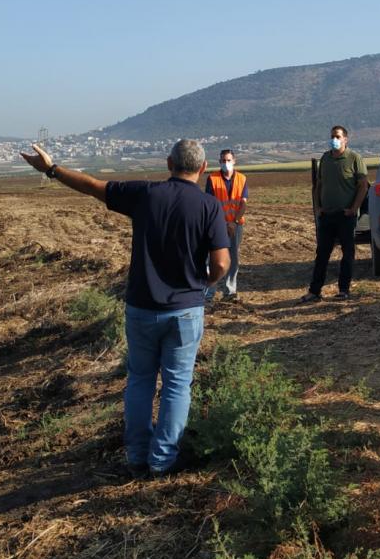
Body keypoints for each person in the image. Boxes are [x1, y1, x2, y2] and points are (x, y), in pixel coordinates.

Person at [20, 139, 230, 477]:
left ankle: (136, 455)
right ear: (203, 168)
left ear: (168, 164)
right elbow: (221, 263)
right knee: (177, 384)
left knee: (140, 380)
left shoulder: (145, 195)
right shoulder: (209, 206)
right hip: (185, 311)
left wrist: (52, 170)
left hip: (141, 308)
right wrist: (205, 281)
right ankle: (162, 460)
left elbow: (91, 186)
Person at [301, 125, 368, 302]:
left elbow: (363, 185)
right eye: (332, 136)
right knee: (322, 254)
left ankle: (344, 289)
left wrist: (354, 208)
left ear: (345, 139)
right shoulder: (325, 158)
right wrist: (318, 207)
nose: (334, 140)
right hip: (327, 215)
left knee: (347, 253)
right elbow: (319, 185)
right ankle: (315, 291)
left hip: (346, 216)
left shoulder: (354, 158)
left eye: (338, 136)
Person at [203, 148, 248, 301]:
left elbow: (243, 204)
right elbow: (210, 204)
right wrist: (223, 223)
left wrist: (234, 222)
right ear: (219, 162)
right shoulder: (212, 179)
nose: (226, 163)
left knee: (233, 258)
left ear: (234, 161)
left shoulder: (242, 179)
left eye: (228, 160)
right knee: (213, 258)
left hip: (236, 225)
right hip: (217, 225)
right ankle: (209, 293)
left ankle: (230, 291)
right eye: (223, 160)